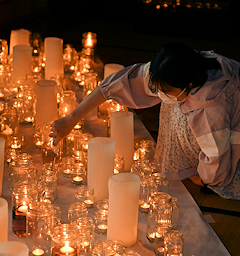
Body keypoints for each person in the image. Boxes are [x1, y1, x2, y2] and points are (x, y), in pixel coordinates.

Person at [51, 43, 240, 199]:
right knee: (173, 104)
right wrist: (71, 119)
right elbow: (115, 85)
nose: (159, 94)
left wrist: (205, 179)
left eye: (166, 90)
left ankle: (197, 171)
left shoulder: (210, 109)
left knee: (179, 113)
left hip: (231, 145)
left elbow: (218, 154)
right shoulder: (179, 66)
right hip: (213, 127)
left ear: (189, 84)